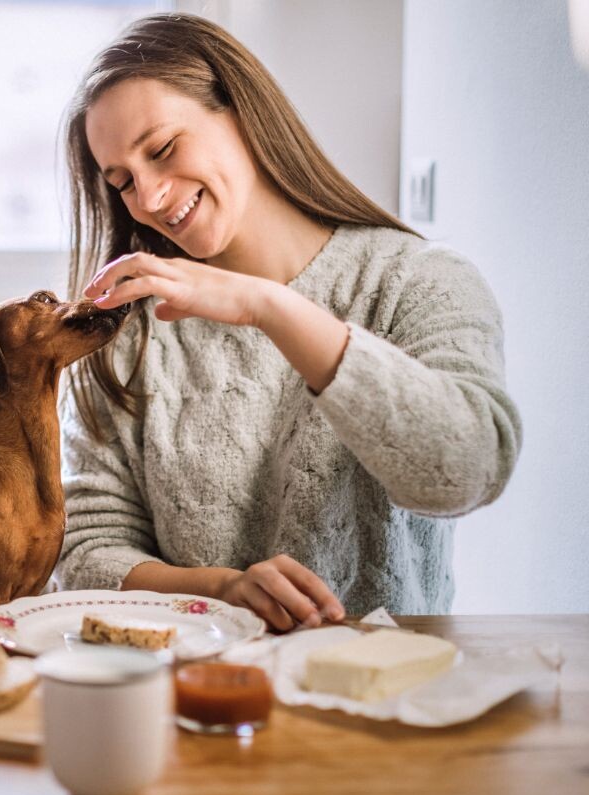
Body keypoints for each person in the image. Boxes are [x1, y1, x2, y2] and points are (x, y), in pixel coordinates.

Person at [54, 13, 522, 632]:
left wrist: (270, 308)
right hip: (192, 701)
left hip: (384, 701)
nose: (150, 197)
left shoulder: (414, 281)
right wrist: (222, 590)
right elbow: (86, 553)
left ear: (242, 110)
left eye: (163, 149)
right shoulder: (123, 334)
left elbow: (467, 469)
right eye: (123, 182)